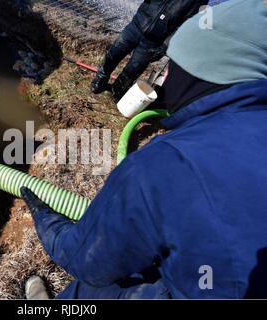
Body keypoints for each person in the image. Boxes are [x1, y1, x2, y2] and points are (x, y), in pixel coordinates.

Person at [22, 0, 267, 299]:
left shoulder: (166, 163)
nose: (165, 78)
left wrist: (45, 217)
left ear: (202, 74)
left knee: (93, 289)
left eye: (175, 67)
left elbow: (85, 259)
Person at [91, 0, 208, 102]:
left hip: (154, 41)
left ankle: (117, 92)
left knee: (134, 69)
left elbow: (185, 26)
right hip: (137, 25)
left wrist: (165, 46)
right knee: (115, 52)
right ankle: (100, 78)